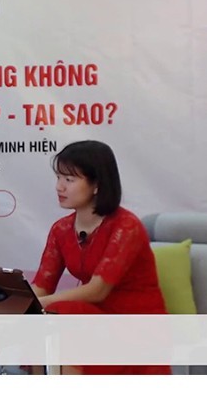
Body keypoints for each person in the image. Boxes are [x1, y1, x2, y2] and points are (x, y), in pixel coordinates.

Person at [31, 140, 170, 375]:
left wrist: (42, 305)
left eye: (69, 180)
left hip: (135, 326)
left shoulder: (126, 226)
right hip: (95, 319)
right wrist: (12, 302)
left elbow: (98, 290)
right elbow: (42, 286)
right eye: (58, 178)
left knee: (61, 312)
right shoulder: (61, 229)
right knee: (37, 319)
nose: (59, 187)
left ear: (96, 185)